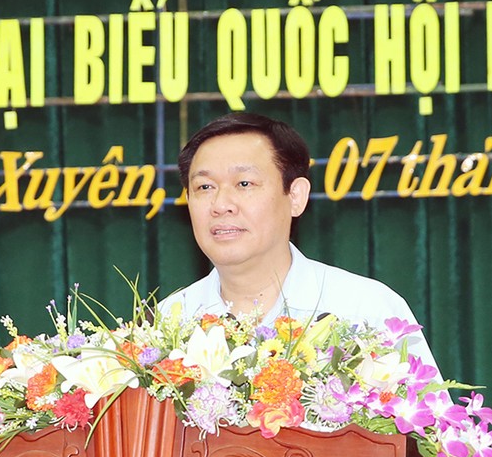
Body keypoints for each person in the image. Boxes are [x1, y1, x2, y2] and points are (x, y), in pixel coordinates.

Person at [160, 112, 439, 371]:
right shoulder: (167, 325)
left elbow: (430, 422)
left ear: (295, 196)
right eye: (204, 187)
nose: (221, 205)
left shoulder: (366, 310)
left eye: (244, 184)